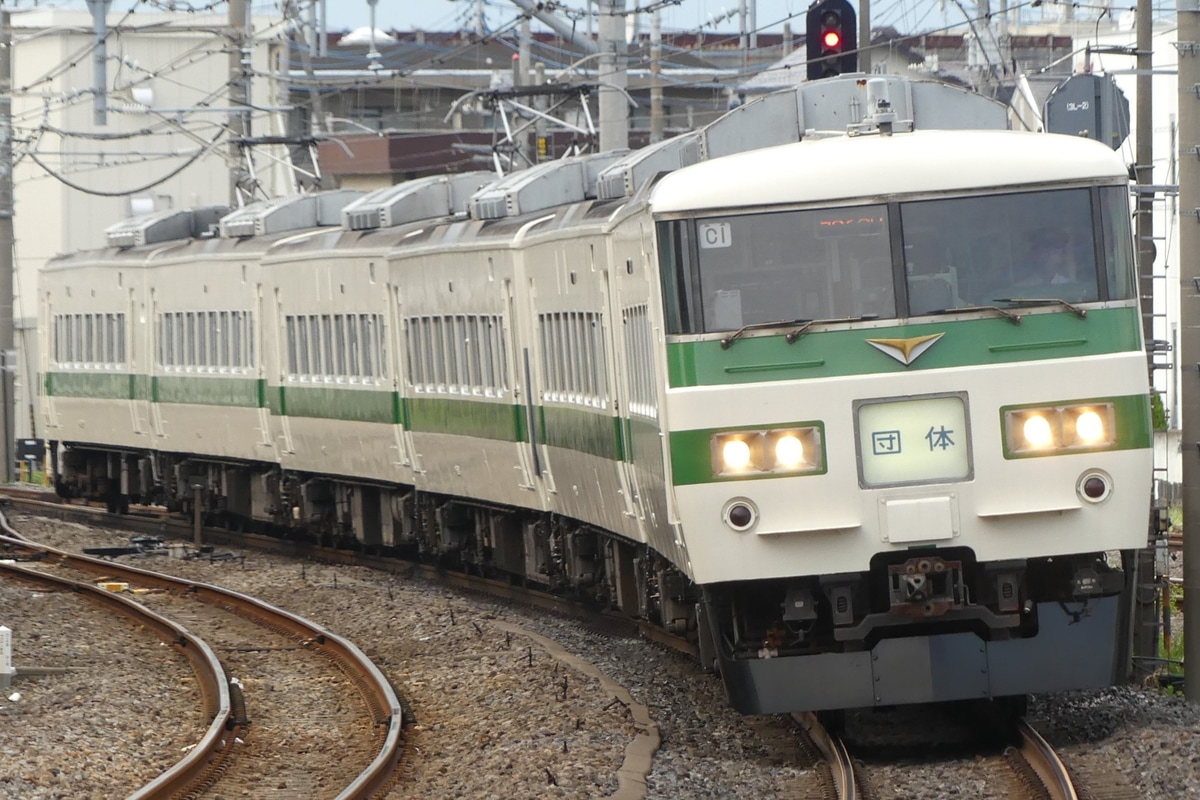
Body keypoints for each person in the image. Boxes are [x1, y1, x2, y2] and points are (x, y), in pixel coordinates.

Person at [1016, 228, 1080, 287]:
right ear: (1035, 254)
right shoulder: (1021, 289)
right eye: (1045, 252)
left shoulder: (1071, 287)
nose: (1049, 257)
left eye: (1055, 252)